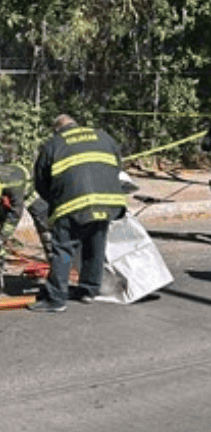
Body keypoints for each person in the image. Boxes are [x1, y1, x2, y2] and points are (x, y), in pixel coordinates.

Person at [28, 114, 128, 313]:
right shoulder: (102, 136)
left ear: (56, 129)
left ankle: (56, 298)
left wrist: (54, 201)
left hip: (73, 204)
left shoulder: (53, 144)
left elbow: (40, 181)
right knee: (95, 245)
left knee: (63, 249)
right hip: (107, 202)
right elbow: (117, 166)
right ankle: (88, 291)